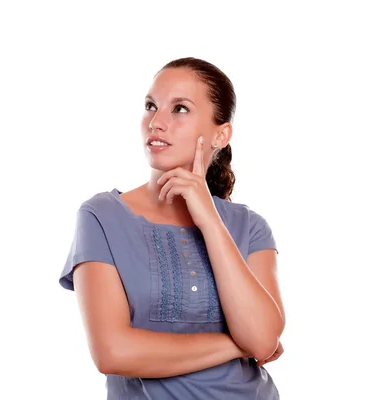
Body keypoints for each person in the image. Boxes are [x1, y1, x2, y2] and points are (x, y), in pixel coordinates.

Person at [59, 57, 285, 399]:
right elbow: (113, 352)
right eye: (151, 106)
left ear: (220, 134)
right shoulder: (101, 217)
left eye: (179, 109)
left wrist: (209, 219)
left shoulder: (250, 227)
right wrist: (236, 345)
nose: (156, 122)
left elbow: (264, 338)